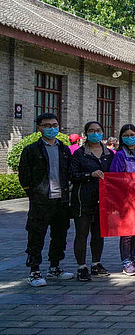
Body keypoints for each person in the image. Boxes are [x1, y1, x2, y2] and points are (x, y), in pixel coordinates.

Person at [18, 113, 74, 287]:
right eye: (47, 126)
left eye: (54, 125)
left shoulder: (64, 149)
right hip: (41, 201)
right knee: (36, 235)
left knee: (60, 235)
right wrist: (33, 193)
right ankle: (34, 271)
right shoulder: (31, 150)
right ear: (39, 128)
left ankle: (54, 267)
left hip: (61, 200)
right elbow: (24, 175)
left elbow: (69, 173)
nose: (52, 128)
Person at [69, 121, 114, 282]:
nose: (96, 133)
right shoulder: (80, 154)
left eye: (98, 130)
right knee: (82, 234)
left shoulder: (109, 154)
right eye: (92, 130)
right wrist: (90, 175)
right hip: (83, 200)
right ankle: (81, 266)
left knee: (98, 234)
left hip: (102, 200)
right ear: (86, 133)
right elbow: (72, 175)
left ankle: (96, 263)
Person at [109, 124, 135, 275]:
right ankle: (126, 262)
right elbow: (114, 177)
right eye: (127, 135)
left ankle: (132, 258)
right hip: (125, 198)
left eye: (133, 135)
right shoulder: (120, 155)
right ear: (122, 138)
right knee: (127, 232)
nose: (130, 138)